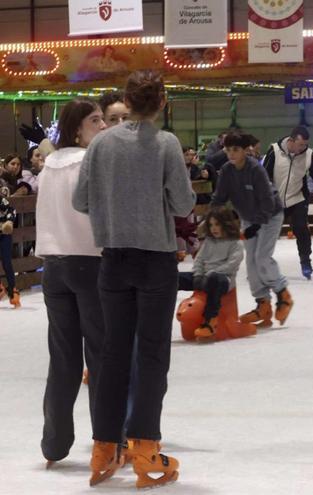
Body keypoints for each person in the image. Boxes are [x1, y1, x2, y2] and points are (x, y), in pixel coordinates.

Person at [73, 70, 194, 488]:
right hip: (155, 260)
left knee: (112, 355)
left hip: (114, 259)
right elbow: (182, 203)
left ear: (126, 99)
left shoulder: (102, 143)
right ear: (161, 102)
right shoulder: (165, 144)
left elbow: (79, 199)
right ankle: (144, 445)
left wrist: (114, 208)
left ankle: (104, 446)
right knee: (153, 354)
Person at [36, 98, 107, 467]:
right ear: (76, 128)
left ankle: (54, 442)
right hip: (88, 263)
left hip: (55, 267)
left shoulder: (49, 165)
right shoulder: (88, 163)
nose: (103, 126)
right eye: (95, 120)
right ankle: (107, 441)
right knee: (99, 355)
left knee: (63, 359)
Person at [211, 131, 292, 329]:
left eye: (235, 150)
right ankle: (262, 304)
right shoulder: (227, 170)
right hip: (249, 218)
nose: (231, 154)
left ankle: (283, 294)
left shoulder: (255, 169)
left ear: (245, 150)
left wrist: (255, 226)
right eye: (228, 149)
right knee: (251, 262)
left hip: (270, 216)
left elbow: (266, 200)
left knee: (262, 257)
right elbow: (219, 197)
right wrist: (210, 218)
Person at [262, 125, 313, 280]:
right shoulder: (274, 151)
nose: (303, 148)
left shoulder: (309, 154)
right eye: (300, 145)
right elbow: (263, 175)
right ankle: (261, 263)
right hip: (275, 201)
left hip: (298, 198)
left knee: (300, 228)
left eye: (305, 144)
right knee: (268, 233)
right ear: (291, 141)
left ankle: (305, 261)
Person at [177, 208, 244, 339]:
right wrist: (197, 275)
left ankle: (210, 320)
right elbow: (199, 260)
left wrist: (210, 273)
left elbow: (231, 265)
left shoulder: (236, 243)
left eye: (217, 224)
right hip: (203, 276)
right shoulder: (209, 242)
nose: (214, 228)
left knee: (215, 279)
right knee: (175, 278)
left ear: (227, 224)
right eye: (211, 225)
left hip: (224, 279)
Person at [0, 188, 18, 307]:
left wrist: (9, 222)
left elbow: (12, 210)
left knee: (7, 262)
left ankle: (13, 291)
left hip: (4, 236)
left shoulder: (3, 202)